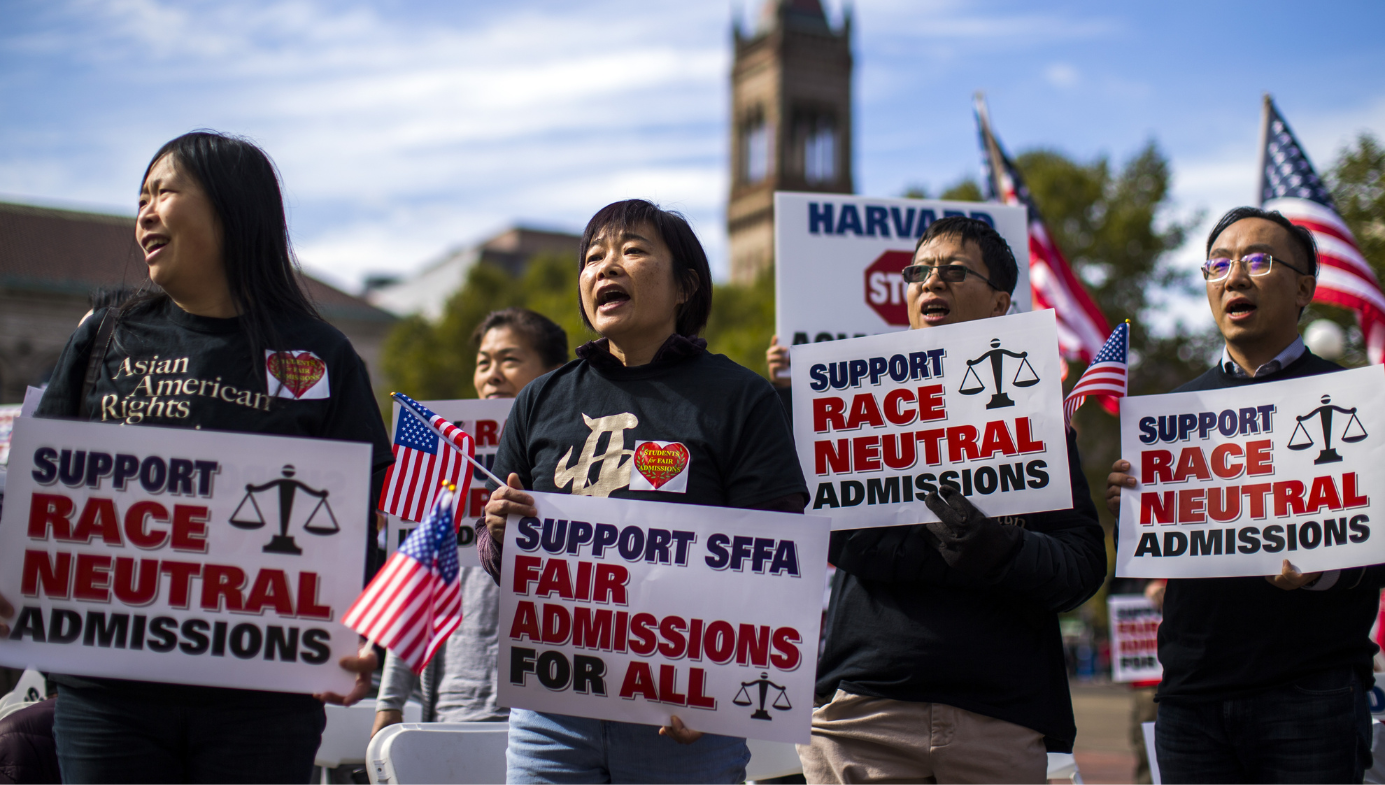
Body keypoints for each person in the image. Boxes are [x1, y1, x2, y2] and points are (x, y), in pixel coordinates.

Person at [4, 131, 394, 784]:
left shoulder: (319, 356)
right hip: (107, 690)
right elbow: (30, 483)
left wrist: (367, 633)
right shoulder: (104, 335)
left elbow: (368, 520)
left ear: (230, 207)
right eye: (140, 199)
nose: (145, 213)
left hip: (263, 700)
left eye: (163, 191)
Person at [480, 199, 809, 784]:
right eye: (593, 257)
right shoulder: (539, 400)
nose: (606, 267)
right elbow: (497, 555)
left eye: (632, 250)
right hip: (552, 712)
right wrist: (500, 531)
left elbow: (774, 561)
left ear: (686, 286)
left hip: (681, 711)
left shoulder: (740, 398)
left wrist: (719, 691)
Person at [772, 216, 1107, 783]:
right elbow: (833, 529)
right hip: (865, 716)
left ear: (1001, 303)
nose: (931, 283)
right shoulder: (858, 404)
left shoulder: (1037, 416)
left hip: (1000, 721)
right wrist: (956, 552)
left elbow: (1081, 565)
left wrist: (1003, 550)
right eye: (919, 272)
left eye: (955, 272)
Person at [1106, 206, 1377, 783]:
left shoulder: (1356, 401)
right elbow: (1157, 550)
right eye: (1219, 264)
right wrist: (1134, 510)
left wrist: (1322, 572)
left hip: (1311, 697)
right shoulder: (1172, 416)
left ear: (1305, 288)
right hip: (1191, 703)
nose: (1234, 277)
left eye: (1259, 261)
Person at [372, 309, 568, 737]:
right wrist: (389, 703)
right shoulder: (446, 463)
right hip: (453, 706)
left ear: (554, 372)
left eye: (510, 359)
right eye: (483, 362)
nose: (492, 375)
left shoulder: (577, 463)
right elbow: (416, 586)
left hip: (547, 711)